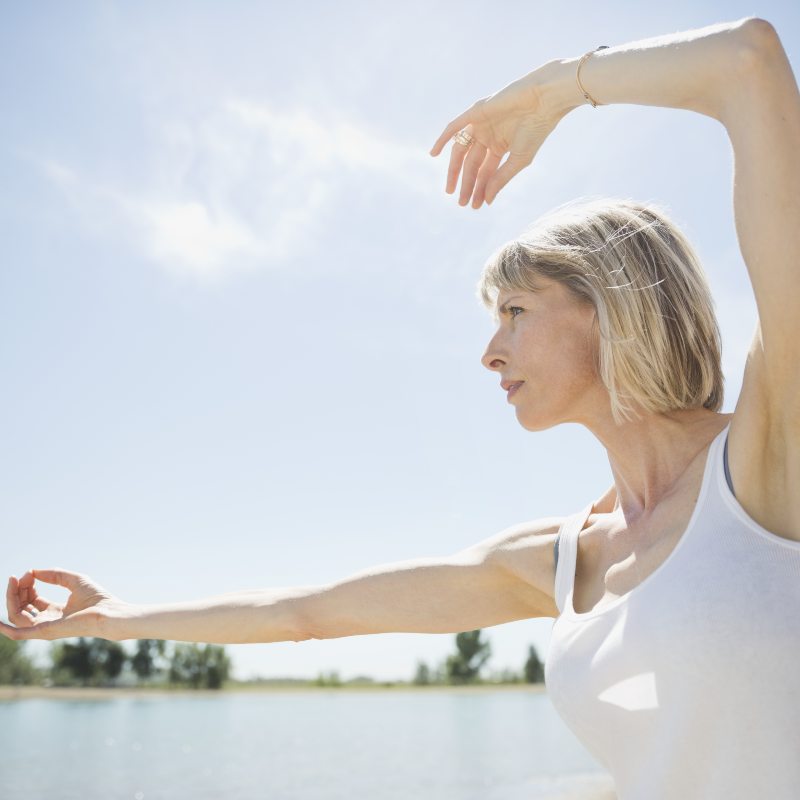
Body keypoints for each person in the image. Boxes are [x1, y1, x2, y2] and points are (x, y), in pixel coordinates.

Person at [3, 15, 799, 799]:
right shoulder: (562, 560)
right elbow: (300, 614)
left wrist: (561, 87)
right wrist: (116, 617)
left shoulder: (769, 453)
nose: (490, 351)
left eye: (515, 312)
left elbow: (749, 61)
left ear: (607, 305)